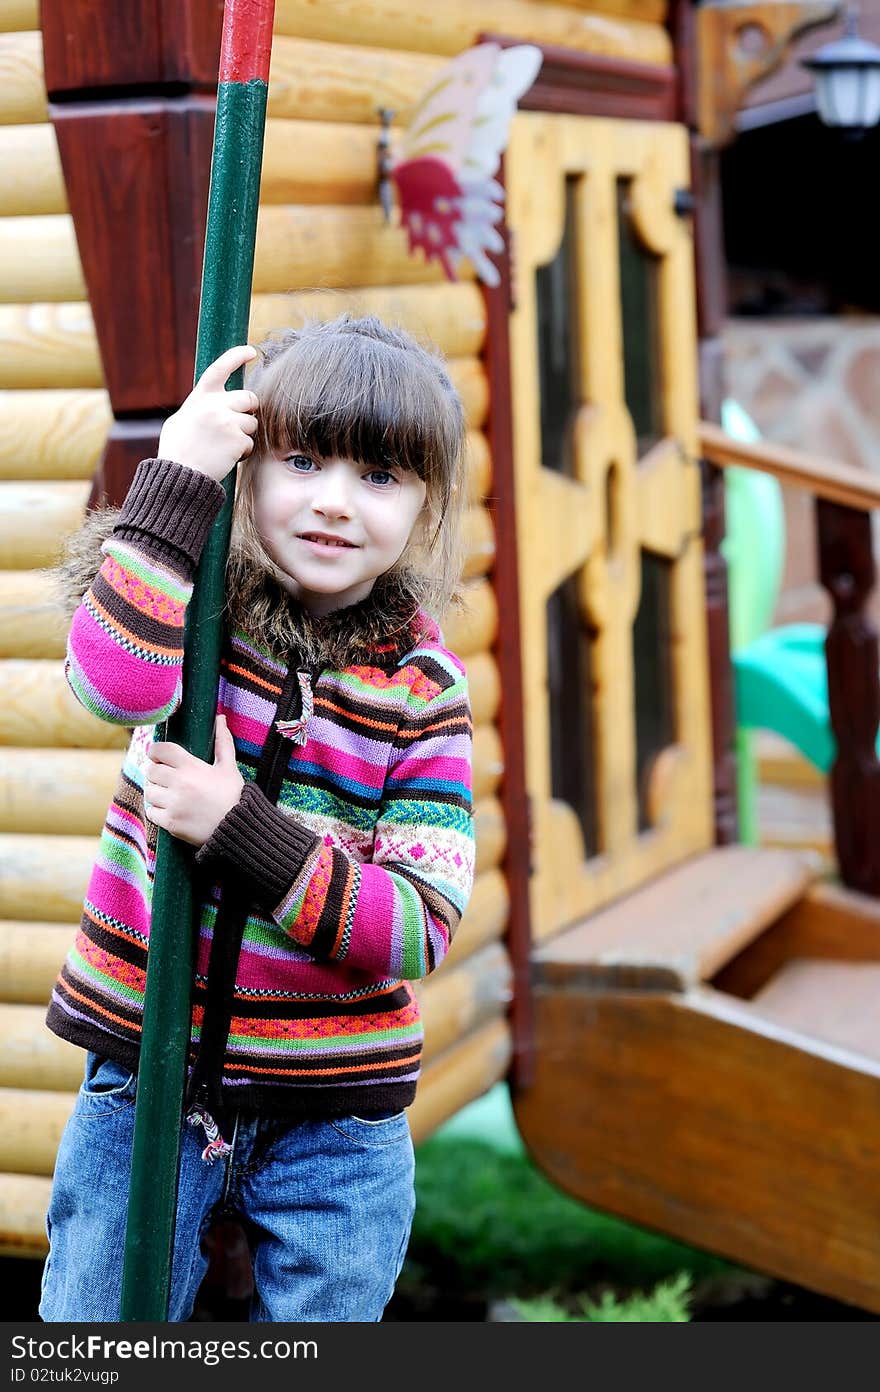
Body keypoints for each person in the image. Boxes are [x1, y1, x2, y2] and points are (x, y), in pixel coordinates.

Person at [39, 314, 475, 1322]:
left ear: (424, 504)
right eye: (301, 459)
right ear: (250, 467)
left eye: (378, 477)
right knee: (102, 1325)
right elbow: (107, 683)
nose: (331, 502)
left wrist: (240, 825)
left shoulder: (419, 691)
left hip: (337, 1113)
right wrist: (178, 480)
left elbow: (416, 926)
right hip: (144, 1074)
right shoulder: (195, 619)